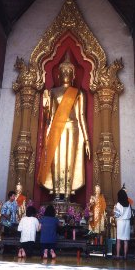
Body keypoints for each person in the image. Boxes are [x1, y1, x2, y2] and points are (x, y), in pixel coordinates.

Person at [38, 53, 90, 200]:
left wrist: (87, 140)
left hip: (72, 129)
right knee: (56, 159)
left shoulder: (79, 93)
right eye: (63, 71)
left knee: (69, 159)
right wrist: (46, 104)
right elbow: (50, 117)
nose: (66, 73)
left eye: (69, 71)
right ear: (59, 74)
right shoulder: (53, 92)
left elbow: (81, 117)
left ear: (73, 75)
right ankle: (56, 192)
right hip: (56, 129)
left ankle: (67, 193)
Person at [114, 188, 131, 259]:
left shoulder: (118, 204)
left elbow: (116, 215)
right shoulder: (128, 203)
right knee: (125, 241)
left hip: (120, 222)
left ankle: (117, 256)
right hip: (127, 222)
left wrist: (114, 209)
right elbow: (130, 214)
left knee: (118, 240)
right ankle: (125, 256)